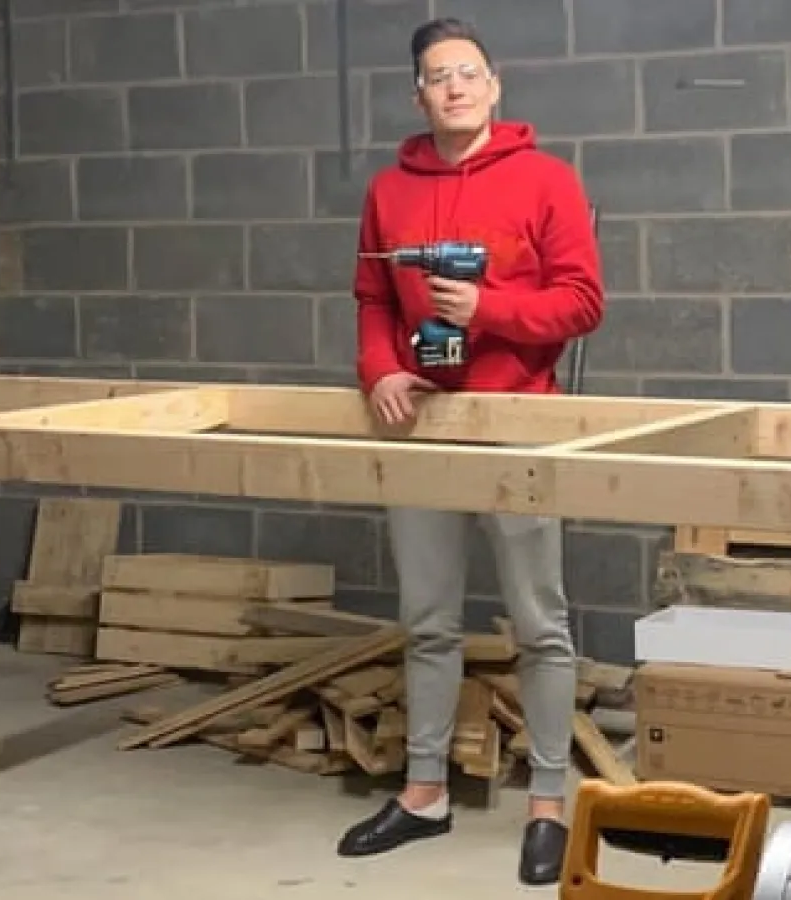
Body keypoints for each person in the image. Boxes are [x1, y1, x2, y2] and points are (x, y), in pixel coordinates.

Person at [334, 17, 605, 888]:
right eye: (436, 76)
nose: (453, 86)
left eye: (468, 72)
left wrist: (485, 311)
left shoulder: (547, 181)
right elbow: (373, 295)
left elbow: (582, 302)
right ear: (419, 94)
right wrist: (380, 369)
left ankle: (549, 805)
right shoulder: (390, 189)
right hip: (419, 429)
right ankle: (424, 794)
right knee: (427, 619)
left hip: (517, 421)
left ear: (495, 86)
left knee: (540, 622)